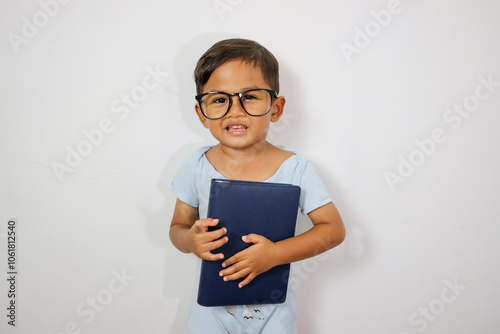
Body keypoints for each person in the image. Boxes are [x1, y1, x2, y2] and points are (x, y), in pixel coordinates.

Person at [169, 38, 346, 334]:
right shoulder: (195, 165)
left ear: (275, 108)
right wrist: (190, 241)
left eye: (249, 97)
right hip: (209, 312)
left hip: (274, 311)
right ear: (201, 113)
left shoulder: (295, 168)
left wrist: (275, 254)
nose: (234, 111)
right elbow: (177, 227)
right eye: (219, 99)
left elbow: (333, 230)